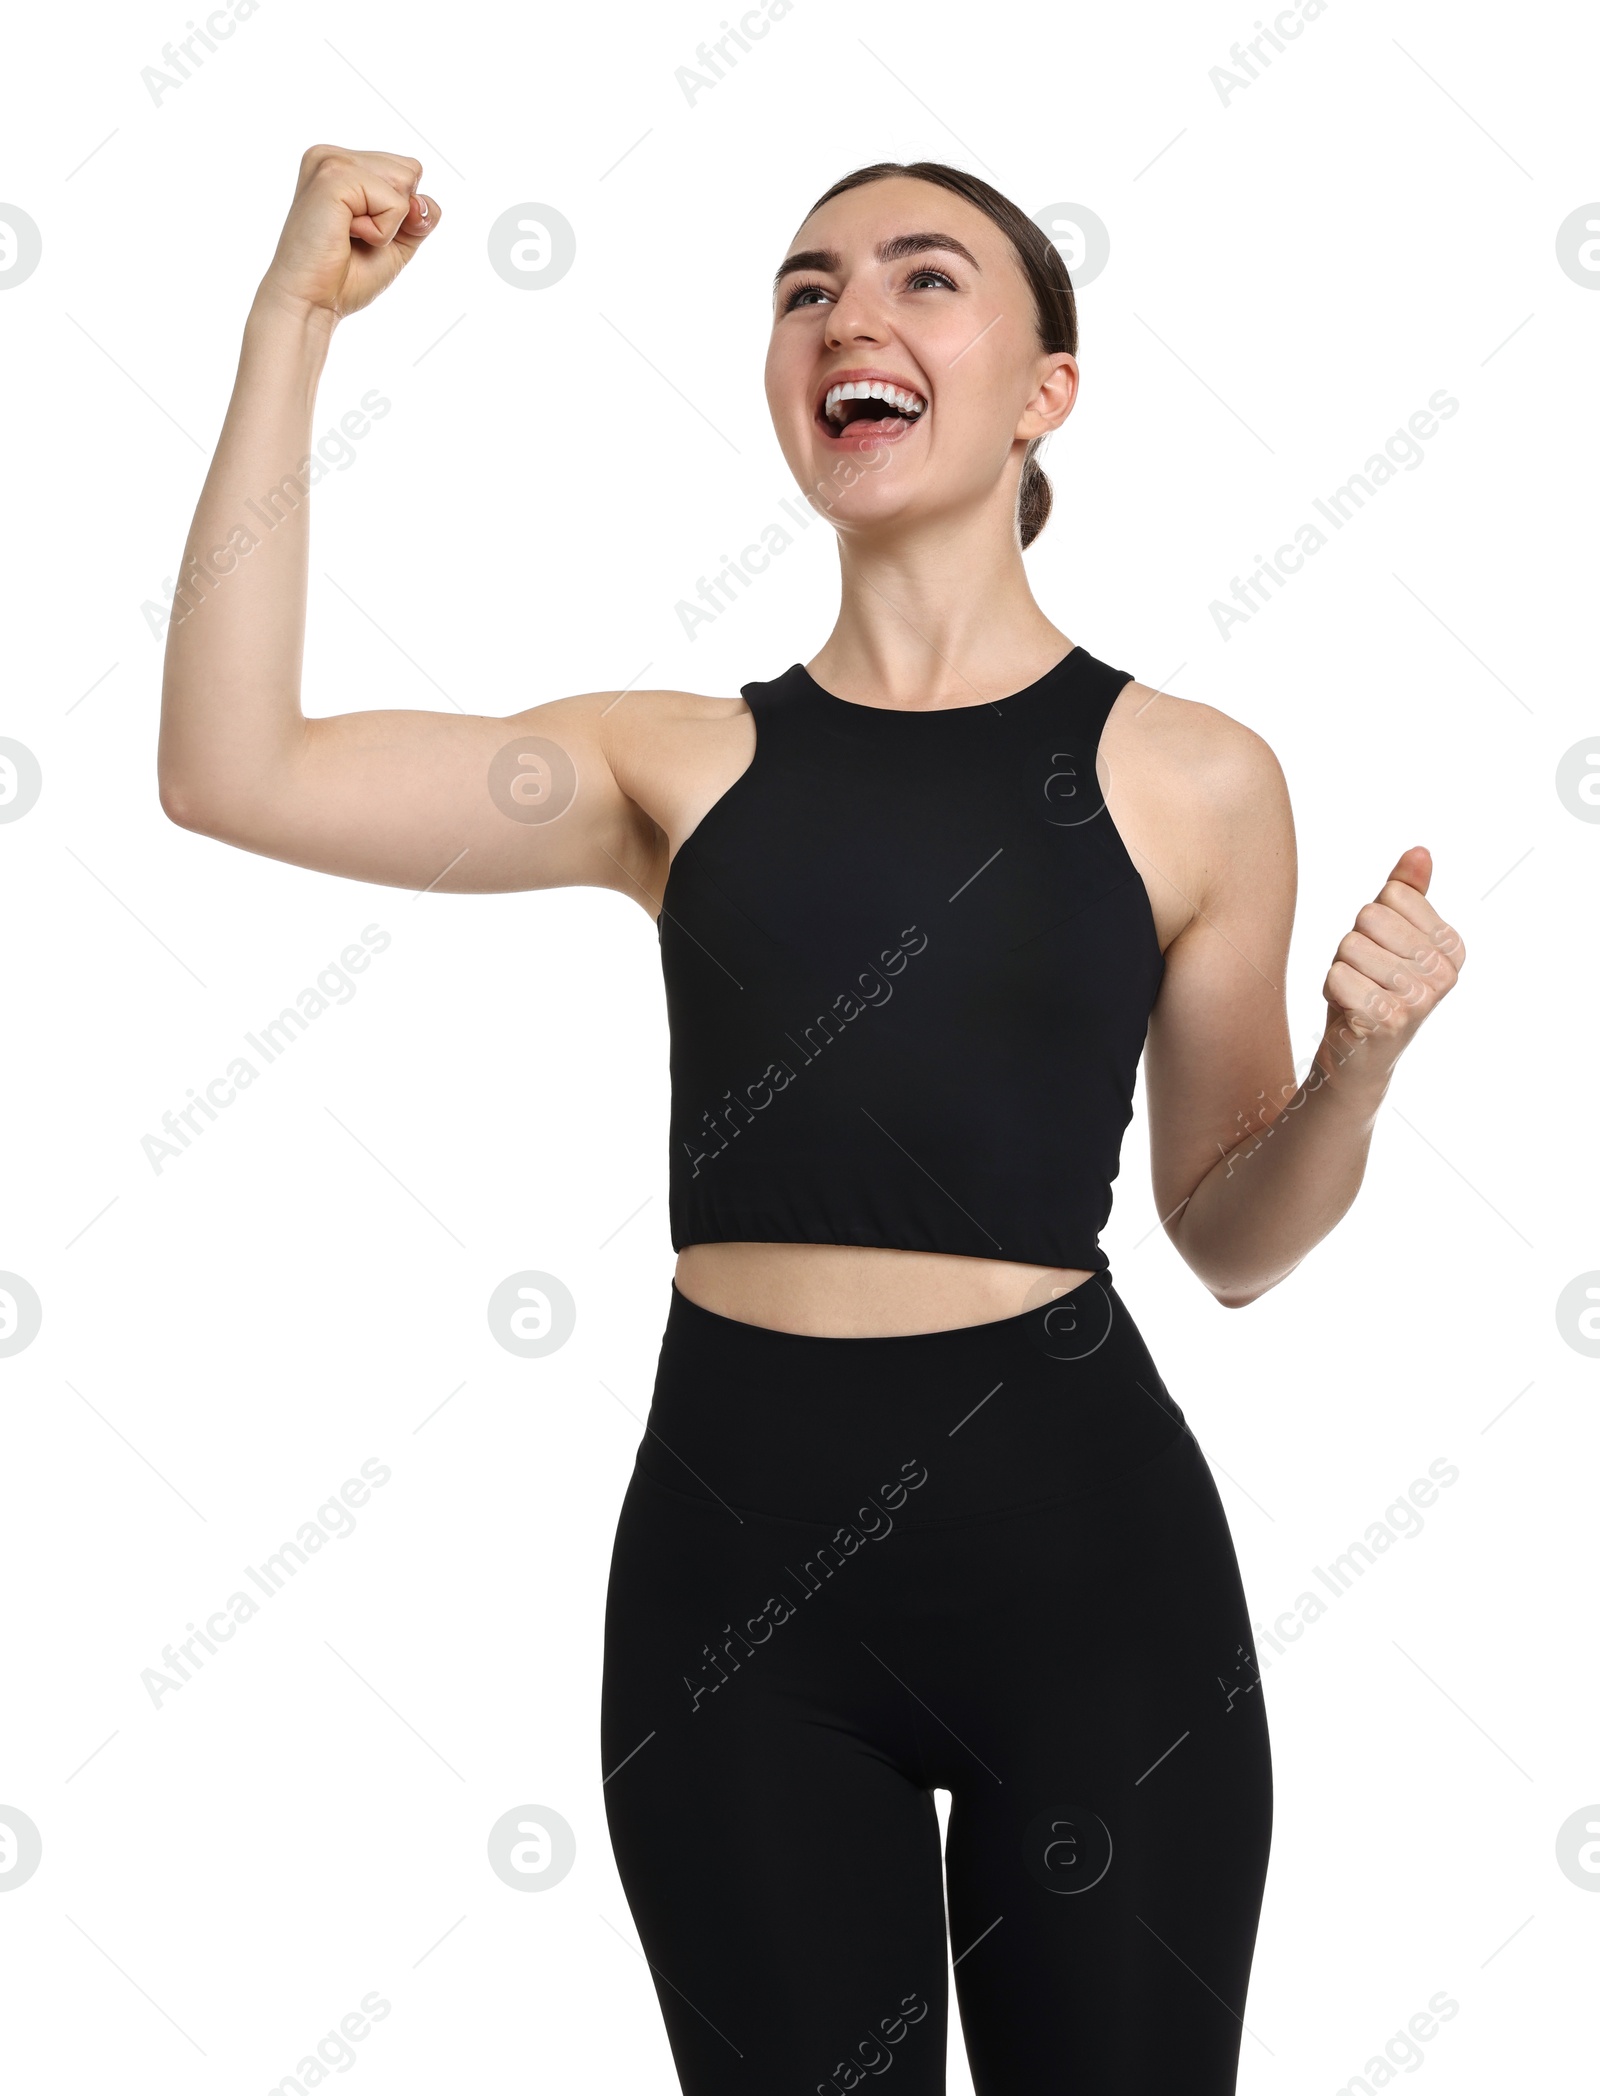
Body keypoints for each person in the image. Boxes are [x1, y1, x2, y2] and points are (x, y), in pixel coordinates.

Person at [157, 146, 1465, 2095]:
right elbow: (230, 769)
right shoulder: (663, 761)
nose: (847, 313)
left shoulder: (1189, 774)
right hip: (733, 1583)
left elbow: (1229, 1236)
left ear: (1044, 390)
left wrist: (1355, 1070)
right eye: (801, 289)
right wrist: (289, 324)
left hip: (1083, 1569)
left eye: (922, 279)